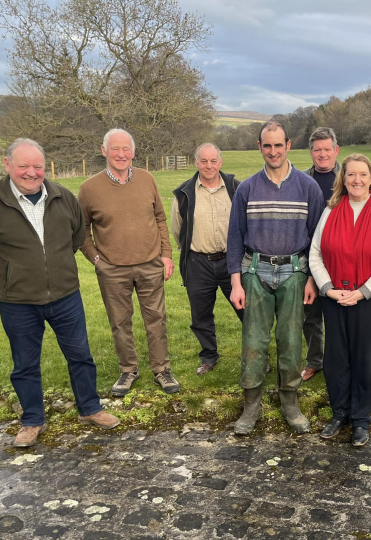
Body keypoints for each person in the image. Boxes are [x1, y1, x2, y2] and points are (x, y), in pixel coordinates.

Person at [0, 138, 119, 447]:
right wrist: (9, 274)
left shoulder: (64, 197)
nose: (31, 173)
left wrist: (55, 268)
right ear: (7, 166)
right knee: (25, 364)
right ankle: (32, 420)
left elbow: (75, 237)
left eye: (37, 166)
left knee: (80, 356)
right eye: (23, 166)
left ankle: (90, 408)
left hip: (65, 296)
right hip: (17, 302)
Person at [227, 121, 326, 435]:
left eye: (278, 145)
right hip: (255, 271)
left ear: (288, 145)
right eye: (267, 146)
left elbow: (317, 239)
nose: (273, 151)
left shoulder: (308, 187)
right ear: (259, 147)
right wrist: (235, 282)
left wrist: (311, 278)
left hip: (294, 273)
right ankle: (251, 404)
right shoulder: (247, 188)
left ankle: (290, 401)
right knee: (254, 340)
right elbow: (234, 237)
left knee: (291, 339)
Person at [309, 154, 371, 446]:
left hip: (370, 298)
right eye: (351, 175)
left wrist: (363, 292)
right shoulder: (330, 210)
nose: (357, 180)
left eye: (363, 174)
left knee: (362, 358)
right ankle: (339, 413)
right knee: (336, 358)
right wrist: (328, 288)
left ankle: (361, 419)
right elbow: (315, 253)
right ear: (343, 179)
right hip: (334, 295)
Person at [78, 129, 179, 397]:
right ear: (104, 151)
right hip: (112, 269)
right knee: (120, 322)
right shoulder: (89, 189)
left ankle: (161, 370)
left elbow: (159, 218)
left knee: (156, 319)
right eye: (115, 149)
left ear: (133, 152)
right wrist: (96, 259)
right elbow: (80, 230)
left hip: (149, 264)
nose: (121, 154)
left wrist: (166, 254)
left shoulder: (147, 179)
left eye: (126, 149)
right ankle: (128, 371)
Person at [171, 143, 243, 376]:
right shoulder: (183, 194)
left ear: (221, 162)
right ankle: (209, 356)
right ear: (196, 163)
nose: (209, 166)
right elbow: (177, 230)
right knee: (200, 315)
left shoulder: (236, 188)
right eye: (204, 161)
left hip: (233, 262)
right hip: (198, 263)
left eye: (213, 161)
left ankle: (257, 355)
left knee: (248, 311)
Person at [300, 127, 341, 382]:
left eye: (327, 149)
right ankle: (315, 360)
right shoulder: (302, 180)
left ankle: (337, 361)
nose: (322, 154)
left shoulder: (348, 180)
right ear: (311, 152)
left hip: (339, 258)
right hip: (308, 257)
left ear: (336, 150)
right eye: (318, 150)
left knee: (338, 314)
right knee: (311, 314)